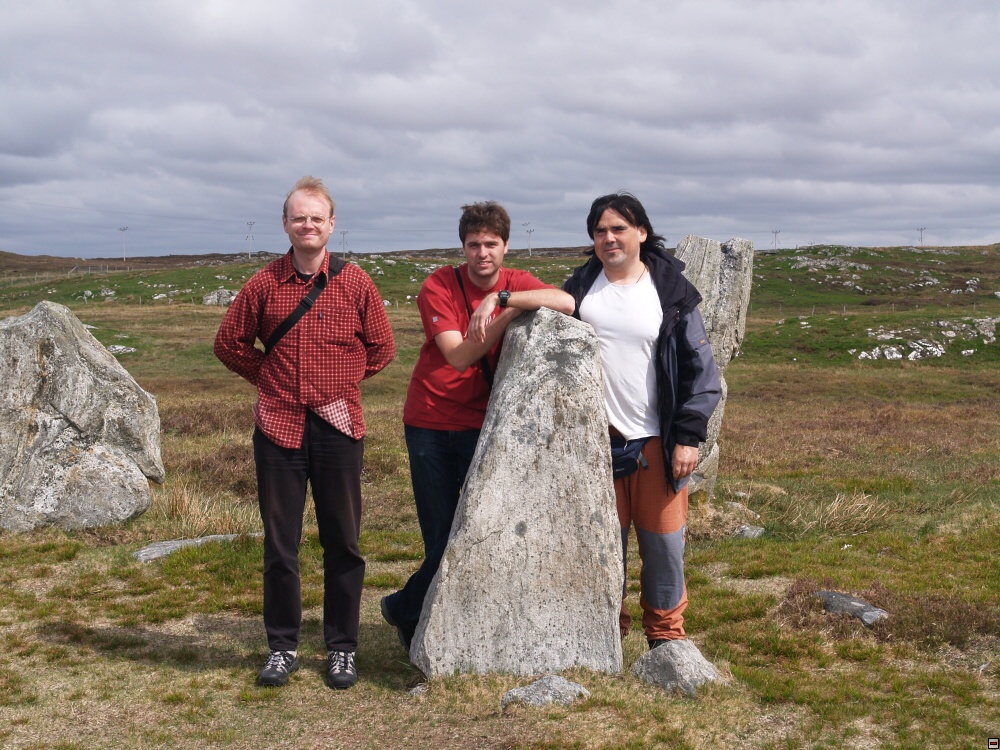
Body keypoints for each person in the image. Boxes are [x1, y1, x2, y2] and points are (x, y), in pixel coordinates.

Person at [214, 176, 395, 689]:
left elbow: (381, 349)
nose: (308, 225)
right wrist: (268, 379)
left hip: (340, 428)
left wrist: (339, 384)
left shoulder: (356, 283)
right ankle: (282, 646)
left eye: (317, 217)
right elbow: (228, 342)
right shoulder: (263, 283)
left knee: (344, 540)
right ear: (286, 224)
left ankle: (341, 648)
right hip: (277, 428)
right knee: (280, 544)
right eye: (299, 217)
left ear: (332, 224)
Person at [379, 201, 575, 650]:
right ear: (462, 247)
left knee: (478, 529)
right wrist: (510, 313)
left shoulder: (515, 283)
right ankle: (418, 622)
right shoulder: (438, 285)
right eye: (473, 245)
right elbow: (459, 354)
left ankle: (404, 608)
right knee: (442, 534)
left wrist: (501, 299)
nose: (482, 253)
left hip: (483, 426)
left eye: (491, 244)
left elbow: (565, 301)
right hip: (430, 421)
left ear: (505, 246)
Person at [562, 192, 721, 649]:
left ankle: (666, 641)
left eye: (618, 229)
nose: (609, 238)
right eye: (599, 231)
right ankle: (605, 637)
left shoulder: (671, 292)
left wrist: (688, 438)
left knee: (664, 550)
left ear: (641, 233)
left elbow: (702, 373)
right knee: (603, 549)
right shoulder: (581, 288)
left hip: (656, 441)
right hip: (597, 445)